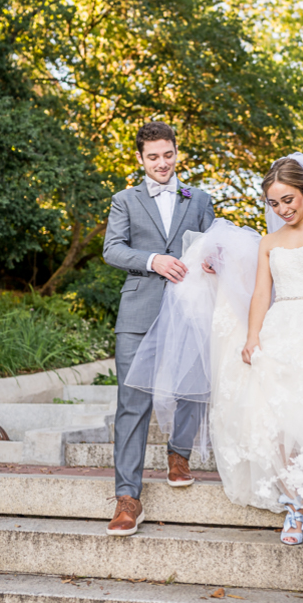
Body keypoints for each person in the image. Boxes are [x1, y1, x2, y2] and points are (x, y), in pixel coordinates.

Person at [126, 153, 303, 578]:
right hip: (278, 331)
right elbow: (259, 294)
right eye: (273, 204)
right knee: (275, 429)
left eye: (288, 199)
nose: (282, 210)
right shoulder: (270, 243)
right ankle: (294, 503)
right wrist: (253, 337)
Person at [102, 121, 215, 536]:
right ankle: (127, 498)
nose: (162, 163)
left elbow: (211, 244)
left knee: (193, 385)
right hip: (139, 311)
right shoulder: (123, 200)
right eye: (153, 157)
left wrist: (211, 261)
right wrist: (154, 260)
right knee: (132, 404)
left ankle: (179, 454)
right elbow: (112, 249)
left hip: (189, 310)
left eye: (168, 154)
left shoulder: (199, 198)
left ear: (176, 152)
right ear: (140, 158)